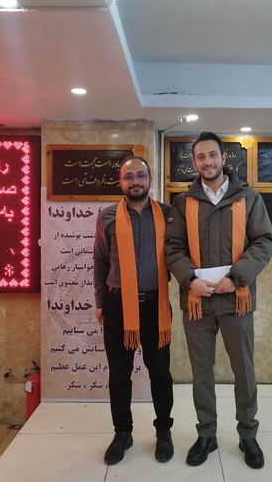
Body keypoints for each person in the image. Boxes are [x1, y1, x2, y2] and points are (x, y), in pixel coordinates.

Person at [165, 131, 272, 469]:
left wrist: (236, 277)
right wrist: (190, 279)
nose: (207, 162)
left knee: (244, 370)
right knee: (201, 372)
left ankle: (248, 434)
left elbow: (265, 241)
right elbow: (173, 248)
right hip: (197, 302)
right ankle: (207, 434)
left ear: (223, 158)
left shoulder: (249, 198)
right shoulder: (183, 203)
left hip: (236, 300)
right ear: (194, 162)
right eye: (200, 157)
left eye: (212, 155)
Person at [93, 156, 174, 465]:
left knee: (160, 372)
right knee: (119, 374)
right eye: (129, 176)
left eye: (141, 175)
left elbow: (178, 255)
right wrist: (100, 301)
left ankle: (163, 431)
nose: (135, 181)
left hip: (155, 305)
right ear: (120, 182)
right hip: (117, 305)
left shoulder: (168, 214)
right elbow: (101, 260)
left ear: (150, 180)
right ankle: (122, 433)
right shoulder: (107, 216)